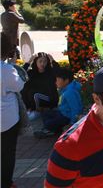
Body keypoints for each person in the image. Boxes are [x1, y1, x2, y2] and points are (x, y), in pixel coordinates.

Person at [1, 33, 25, 188]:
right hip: (7, 119)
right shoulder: (6, 69)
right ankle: (6, 183)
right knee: (7, 152)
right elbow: (19, 86)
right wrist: (13, 65)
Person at [34, 67, 83, 138]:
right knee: (45, 113)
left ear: (66, 81)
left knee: (48, 123)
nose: (55, 82)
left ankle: (50, 130)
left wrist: (72, 123)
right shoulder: (65, 89)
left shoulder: (70, 92)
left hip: (67, 117)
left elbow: (76, 109)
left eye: (57, 80)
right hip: (62, 112)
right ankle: (54, 128)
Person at [22, 52, 59, 119]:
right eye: (40, 61)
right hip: (36, 99)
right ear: (35, 62)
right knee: (24, 88)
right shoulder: (32, 73)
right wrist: (29, 61)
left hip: (49, 98)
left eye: (45, 61)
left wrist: (52, 60)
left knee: (33, 93)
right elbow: (20, 74)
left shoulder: (50, 72)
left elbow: (59, 72)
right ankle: (29, 109)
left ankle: (36, 111)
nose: (42, 64)